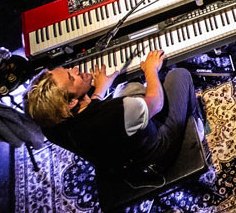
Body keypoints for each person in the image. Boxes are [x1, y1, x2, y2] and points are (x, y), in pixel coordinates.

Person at [25, 52, 201, 176]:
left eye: (68, 70)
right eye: (72, 78)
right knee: (179, 75)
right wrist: (151, 70)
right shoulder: (116, 112)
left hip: (117, 160)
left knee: (127, 87)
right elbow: (156, 103)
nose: (76, 69)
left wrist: (99, 90)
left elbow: (88, 115)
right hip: (155, 154)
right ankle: (197, 126)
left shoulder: (51, 125)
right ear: (71, 103)